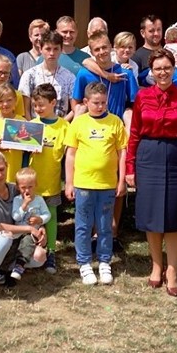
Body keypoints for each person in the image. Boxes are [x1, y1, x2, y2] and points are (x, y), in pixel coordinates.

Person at [126, 49, 177, 296]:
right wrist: (130, 167)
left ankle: (172, 269)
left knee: (173, 215)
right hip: (148, 155)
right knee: (152, 215)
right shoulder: (142, 96)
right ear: (151, 72)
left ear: (174, 70)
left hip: (176, 156)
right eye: (158, 69)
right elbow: (134, 134)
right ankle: (156, 266)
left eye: (167, 68)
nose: (163, 72)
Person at [72, 31, 138, 250]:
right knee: (91, 186)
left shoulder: (124, 73)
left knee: (115, 186)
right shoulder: (84, 73)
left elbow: (132, 103)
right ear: (91, 52)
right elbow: (76, 103)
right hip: (90, 138)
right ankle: (92, 233)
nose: (101, 52)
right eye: (96, 49)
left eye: (104, 47)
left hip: (115, 133)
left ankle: (113, 231)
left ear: (111, 47)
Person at [65, 82, 128, 285]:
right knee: (83, 225)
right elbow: (71, 155)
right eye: (95, 103)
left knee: (104, 225)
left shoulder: (115, 122)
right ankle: (84, 263)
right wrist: (69, 182)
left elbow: (122, 153)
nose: (99, 106)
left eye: (103, 103)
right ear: (86, 102)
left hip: (107, 184)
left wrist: (121, 180)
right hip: (83, 183)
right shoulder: (79, 123)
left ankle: (104, 261)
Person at [0, 150, 47, 309]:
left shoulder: (15, 189)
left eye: (2, 169)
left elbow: (33, 211)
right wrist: (28, 229)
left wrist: (40, 228)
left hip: (11, 245)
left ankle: (3, 271)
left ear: (7, 166)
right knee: (4, 236)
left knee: (40, 257)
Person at [28, 84, 69, 274]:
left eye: (42, 105)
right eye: (35, 106)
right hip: (32, 184)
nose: (38, 109)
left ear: (53, 103)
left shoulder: (64, 126)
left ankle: (51, 252)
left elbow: (69, 155)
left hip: (51, 182)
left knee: (50, 218)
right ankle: (32, 251)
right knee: (33, 219)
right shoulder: (31, 125)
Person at [19, 30, 76, 120]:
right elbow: (25, 109)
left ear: (61, 50)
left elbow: (74, 109)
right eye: (48, 49)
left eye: (56, 49)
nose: (52, 53)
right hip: (36, 128)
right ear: (41, 49)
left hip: (59, 127)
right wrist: (32, 126)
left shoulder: (69, 77)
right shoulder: (29, 75)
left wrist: (62, 124)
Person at [9, 167, 51, 279]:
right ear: (18, 187)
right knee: (11, 247)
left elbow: (47, 214)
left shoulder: (39, 200)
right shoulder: (17, 200)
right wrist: (24, 205)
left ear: (36, 185)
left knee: (27, 242)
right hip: (18, 232)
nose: (27, 191)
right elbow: (16, 217)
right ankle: (4, 268)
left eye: (30, 187)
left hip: (33, 234)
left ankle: (20, 265)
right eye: (23, 187)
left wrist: (40, 219)